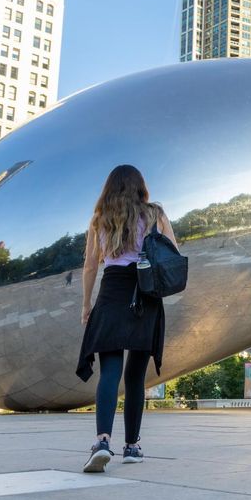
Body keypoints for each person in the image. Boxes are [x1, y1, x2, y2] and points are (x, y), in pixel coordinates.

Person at [75, 164, 176, 473]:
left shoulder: (99, 219)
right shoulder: (154, 213)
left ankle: (102, 441)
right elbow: (172, 251)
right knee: (135, 377)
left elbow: (91, 266)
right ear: (140, 186)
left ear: (110, 187)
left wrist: (86, 304)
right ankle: (132, 446)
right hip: (144, 294)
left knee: (110, 371)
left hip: (111, 292)